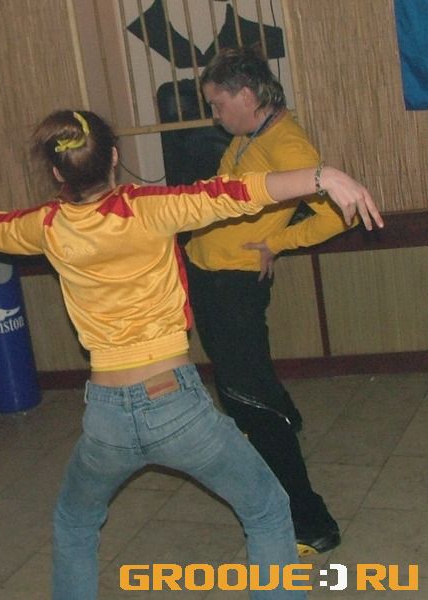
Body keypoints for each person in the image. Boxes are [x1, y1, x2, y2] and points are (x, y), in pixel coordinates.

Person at [0, 109, 382, 599]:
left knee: (75, 524)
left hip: (106, 419)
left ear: (58, 173)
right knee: (269, 509)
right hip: (176, 406)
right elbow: (238, 193)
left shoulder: (45, 225)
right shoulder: (149, 208)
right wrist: (323, 177)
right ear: (114, 159)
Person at [185, 46, 352, 555]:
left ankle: (311, 521)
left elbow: (336, 214)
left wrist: (278, 242)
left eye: (217, 104)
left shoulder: (288, 145)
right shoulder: (248, 136)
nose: (214, 115)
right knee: (240, 385)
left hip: (234, 285)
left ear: (246, 95)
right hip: (210, 274)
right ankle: (282, 420)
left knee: (247, 399)